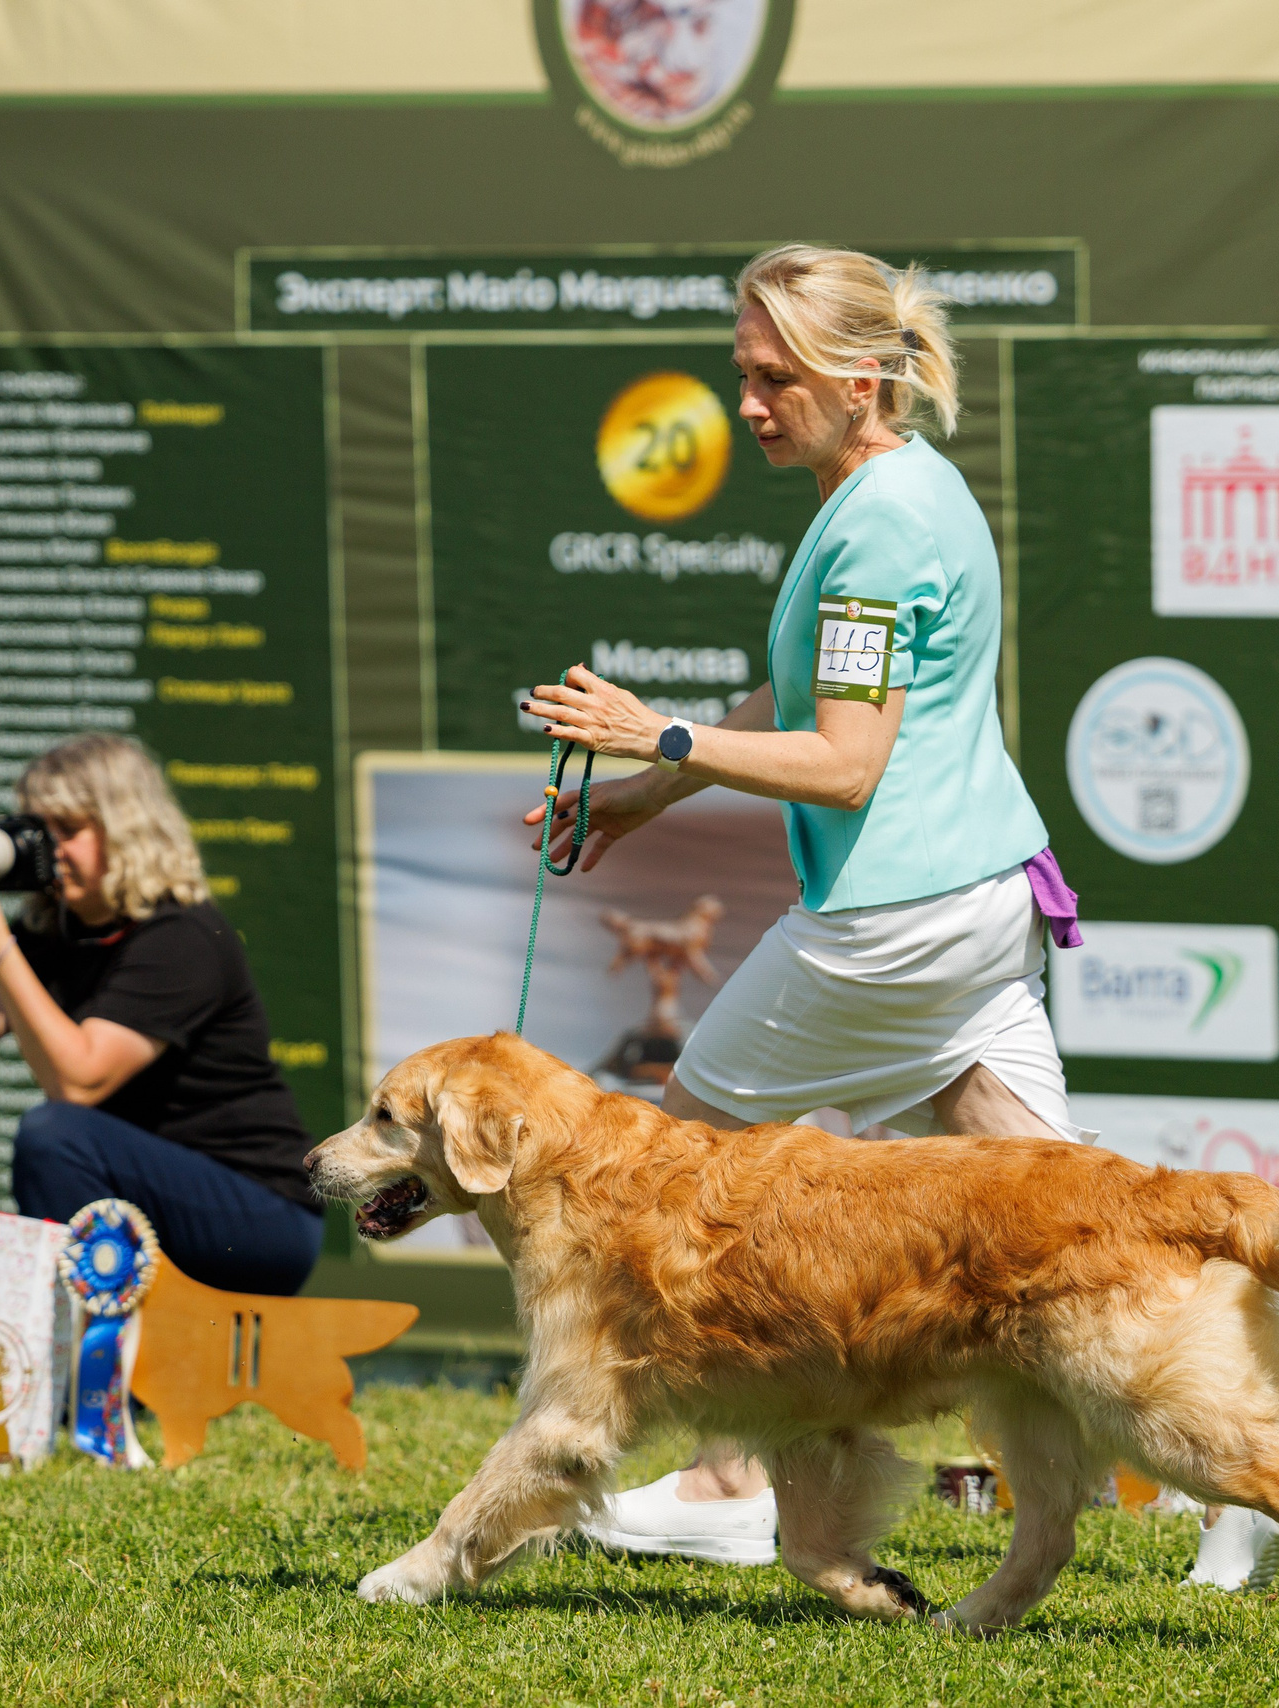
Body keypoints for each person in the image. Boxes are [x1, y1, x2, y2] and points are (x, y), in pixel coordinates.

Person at [519, 243, 1087, 1566]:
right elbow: (794, 707)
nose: (749, 405)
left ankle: (728, 1485)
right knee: (1075, 1248)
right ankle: (1239, 1490)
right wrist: (639, 795)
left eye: (775, 379)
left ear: (862, 378)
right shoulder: (894, 492)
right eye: (743, 376)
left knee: (673, 1180)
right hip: (982, 903)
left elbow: (843, 763)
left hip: (897, 922)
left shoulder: (880, 526)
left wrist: (653, 735)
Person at [0, 734, 326, 1295]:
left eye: (70, 831)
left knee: (54, 1137)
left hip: (260, 1215)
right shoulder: (53, 931)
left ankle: (86, 1341)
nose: (51, 850)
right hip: (152, 1197)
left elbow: (79, 1082)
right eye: (38, 831)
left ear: (124, 829)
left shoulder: (182, 935)